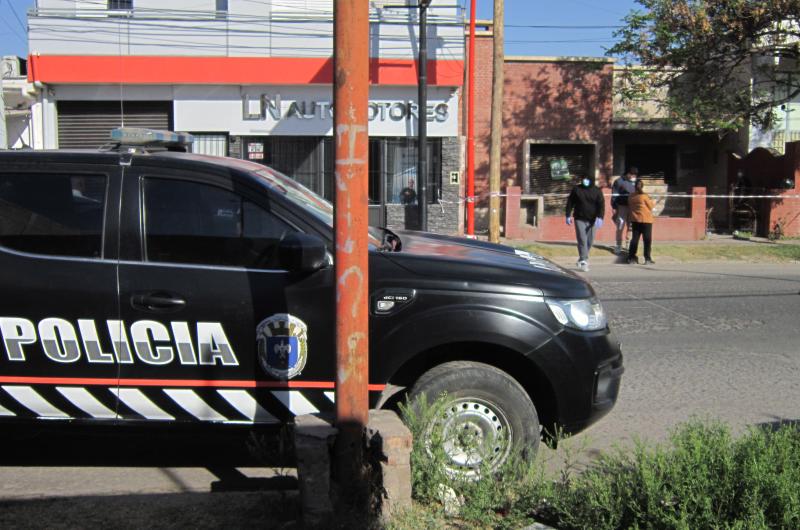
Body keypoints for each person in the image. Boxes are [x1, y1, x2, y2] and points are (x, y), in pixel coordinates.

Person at [566, 175, 605, 272]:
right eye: (583, 179)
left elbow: (601, 205)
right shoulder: (576, 189)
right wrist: (568, 215)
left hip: (592, 219)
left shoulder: (597, 191)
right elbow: (570, 202)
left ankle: (581, 258)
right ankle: (584, 260)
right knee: (582, 239)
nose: (585, 181)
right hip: (579, 218)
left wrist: (600, 217)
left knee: (590, 241)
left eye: (587, 179)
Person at [627, 179, 655, 265]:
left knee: (635, 239)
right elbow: (651, 206)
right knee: (647, 240)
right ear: (642, 186)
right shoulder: (644, 196)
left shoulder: (631, 196)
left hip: (635, 219)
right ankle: (647, 258)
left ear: (635, 186)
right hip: (646, 220)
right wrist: (653, 201)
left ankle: (631, 257)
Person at [611, 167, 638, 254]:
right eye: (632, 175)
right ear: (628, 173)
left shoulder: (636, 181)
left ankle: (628, 244)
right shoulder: (619, 181)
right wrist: (614, 207)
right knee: (620, 226)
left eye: (635, 175)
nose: (633, 177)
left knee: (631, 226)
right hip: (621, 206)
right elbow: (614, 195)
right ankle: (618, 245)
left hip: (632, 207)